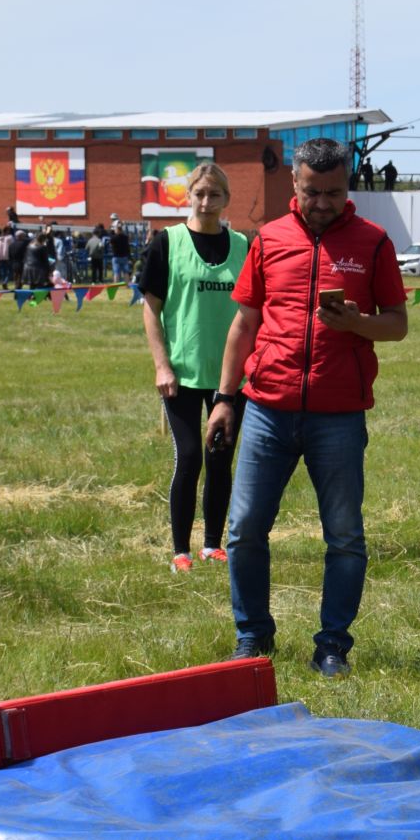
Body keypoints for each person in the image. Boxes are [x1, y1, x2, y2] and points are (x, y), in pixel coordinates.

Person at [206, 138, 408, 677]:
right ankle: (252, 639)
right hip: (267, 410)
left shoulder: (373, 242)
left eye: (334, 192)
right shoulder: (269, 240)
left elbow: (397, 323)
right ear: (294, 185)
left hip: (339, 415)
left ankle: (332, 646)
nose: (322, 202)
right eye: (312, 191)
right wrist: (226, 400)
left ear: (349, 186)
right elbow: (244, 324)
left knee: (343, 534)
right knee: (244, 528)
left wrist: (356, 324)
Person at [143, 163, 248, 573]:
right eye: (200, 193)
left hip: (229, 376)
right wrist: (161, 365)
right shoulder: (166, 243)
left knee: (220, 458)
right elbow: (151, 308)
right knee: (189, 457)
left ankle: (212, 544)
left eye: (215, 194)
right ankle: (181, 550)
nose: (206, 202)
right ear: (188, 196)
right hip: (182, 375)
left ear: (226, 199)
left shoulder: (242, 245)